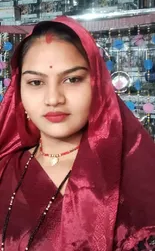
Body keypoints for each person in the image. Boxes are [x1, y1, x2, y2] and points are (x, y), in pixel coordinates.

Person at [0, 16, 155, 251]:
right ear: (18, 91)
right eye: (35, 82)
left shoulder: (132, 181)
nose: (53, 99)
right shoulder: (5, 166)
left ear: (98, 86)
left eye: (72, 79)